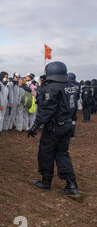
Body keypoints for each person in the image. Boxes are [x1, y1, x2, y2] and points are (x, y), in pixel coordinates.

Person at [28, 61, 79, 197]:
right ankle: (72, 185)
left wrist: (35, 126)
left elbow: (47, 110)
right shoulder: (71, 86)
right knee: (62, 153)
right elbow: (73, 109)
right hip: (67, 124)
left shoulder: (51, 88)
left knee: (46, 153)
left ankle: (46, 181)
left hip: (54, 127)